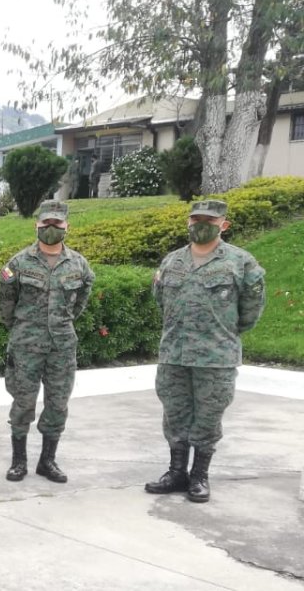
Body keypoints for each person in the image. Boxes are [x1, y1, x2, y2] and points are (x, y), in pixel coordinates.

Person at [144, 199, 265, 503]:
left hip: (216, 358)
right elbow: (161, 302)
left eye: (209, 221)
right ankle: (176, 472)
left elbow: (251, 311)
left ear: (223, 225)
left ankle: (199, 476)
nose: (201, 225)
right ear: (188, 222)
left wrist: (222, 334)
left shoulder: (241, 263)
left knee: (208, 418)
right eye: (196, 218)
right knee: (175, 416)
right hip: (174, 354)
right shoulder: (171, 262)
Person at [0, 199, 95, 483]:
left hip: (61, 347)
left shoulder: (78, 265)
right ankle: (19, 461)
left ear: (67, 227)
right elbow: (6, 304)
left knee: (58, 404)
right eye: (46, 224)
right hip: (26, 345)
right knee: (23, 402)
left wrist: (61, 322)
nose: (51, 228)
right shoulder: (18, 263)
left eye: (57, 224)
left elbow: (80, 303)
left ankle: (47, 461)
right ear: (36, 226)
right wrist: (21, 329)